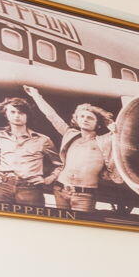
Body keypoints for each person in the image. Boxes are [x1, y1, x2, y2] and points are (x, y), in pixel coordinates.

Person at [25, 86, 118, 214]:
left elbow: (125, 138)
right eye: (82, 116)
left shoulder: (105, 140)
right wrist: (36, 95)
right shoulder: (70, 134)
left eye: (90, 118)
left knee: (80, 228)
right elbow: (52, 116)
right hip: (60, 189)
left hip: (84, 194)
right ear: (76, 120)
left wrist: (116, 130)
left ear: (98, 123)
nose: (85, 119)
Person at [0, 95, 55, 207]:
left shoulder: (43, 140)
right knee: (1, 220)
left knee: (31, 220)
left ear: (27, 115)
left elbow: (59, 165)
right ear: (6, 114)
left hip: (30, 187)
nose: (17, 116)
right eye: (13, 112)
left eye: (21, 113)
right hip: (3, 185)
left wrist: (48, 179)